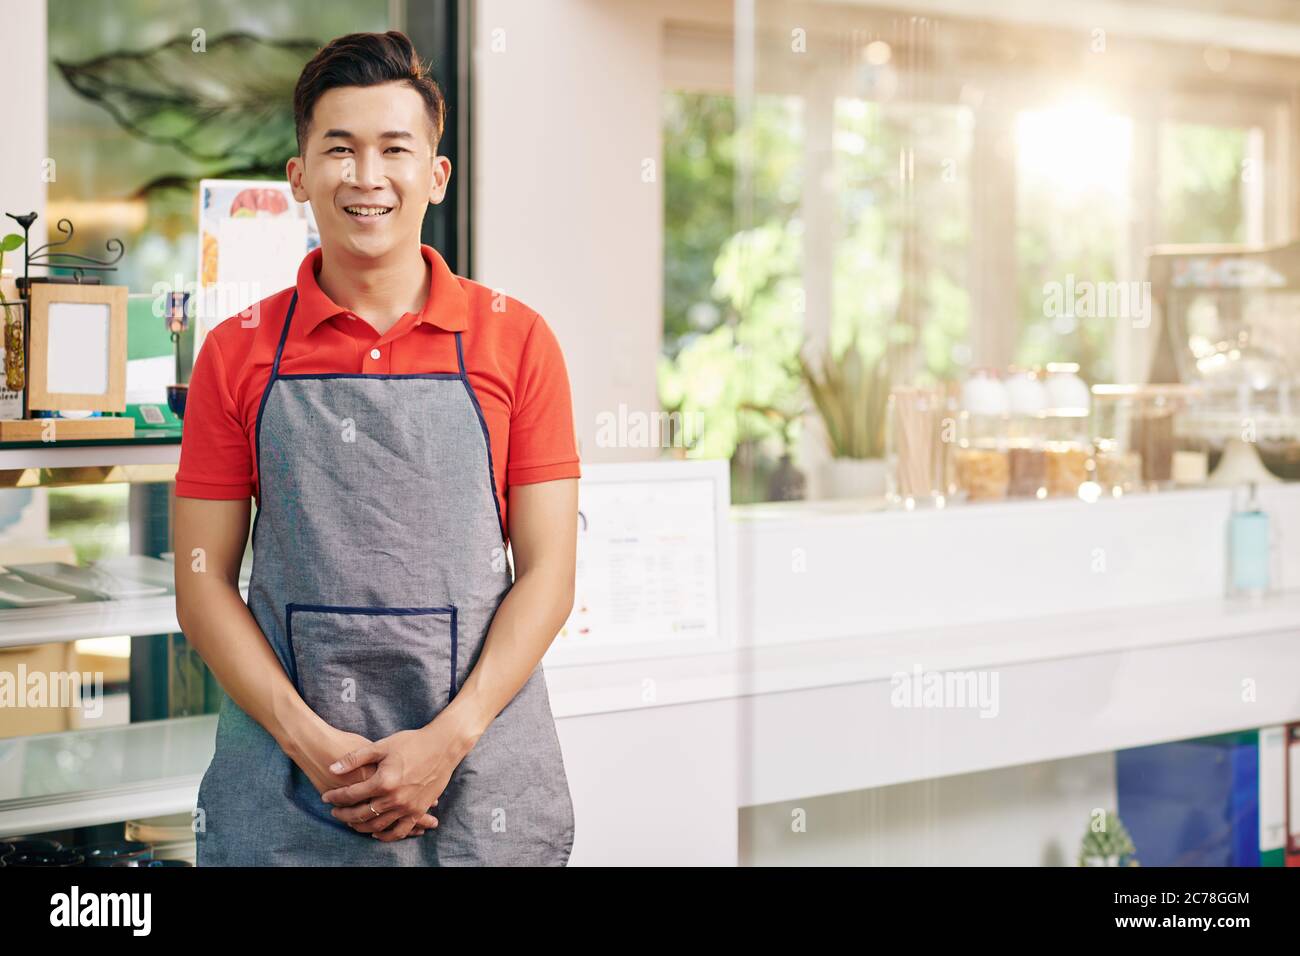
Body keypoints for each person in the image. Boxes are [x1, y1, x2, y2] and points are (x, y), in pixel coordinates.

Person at [174, 30, 579, 866]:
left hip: (477, 778)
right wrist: (314, 745)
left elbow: (550, 572)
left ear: (435, 175)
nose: (367, 177)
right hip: (287, 783)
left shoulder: (518, 341)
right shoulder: (236, 352)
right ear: (298, 177)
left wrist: (444, 743)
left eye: (395, 149)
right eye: (340, 150)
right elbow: (201, 583)